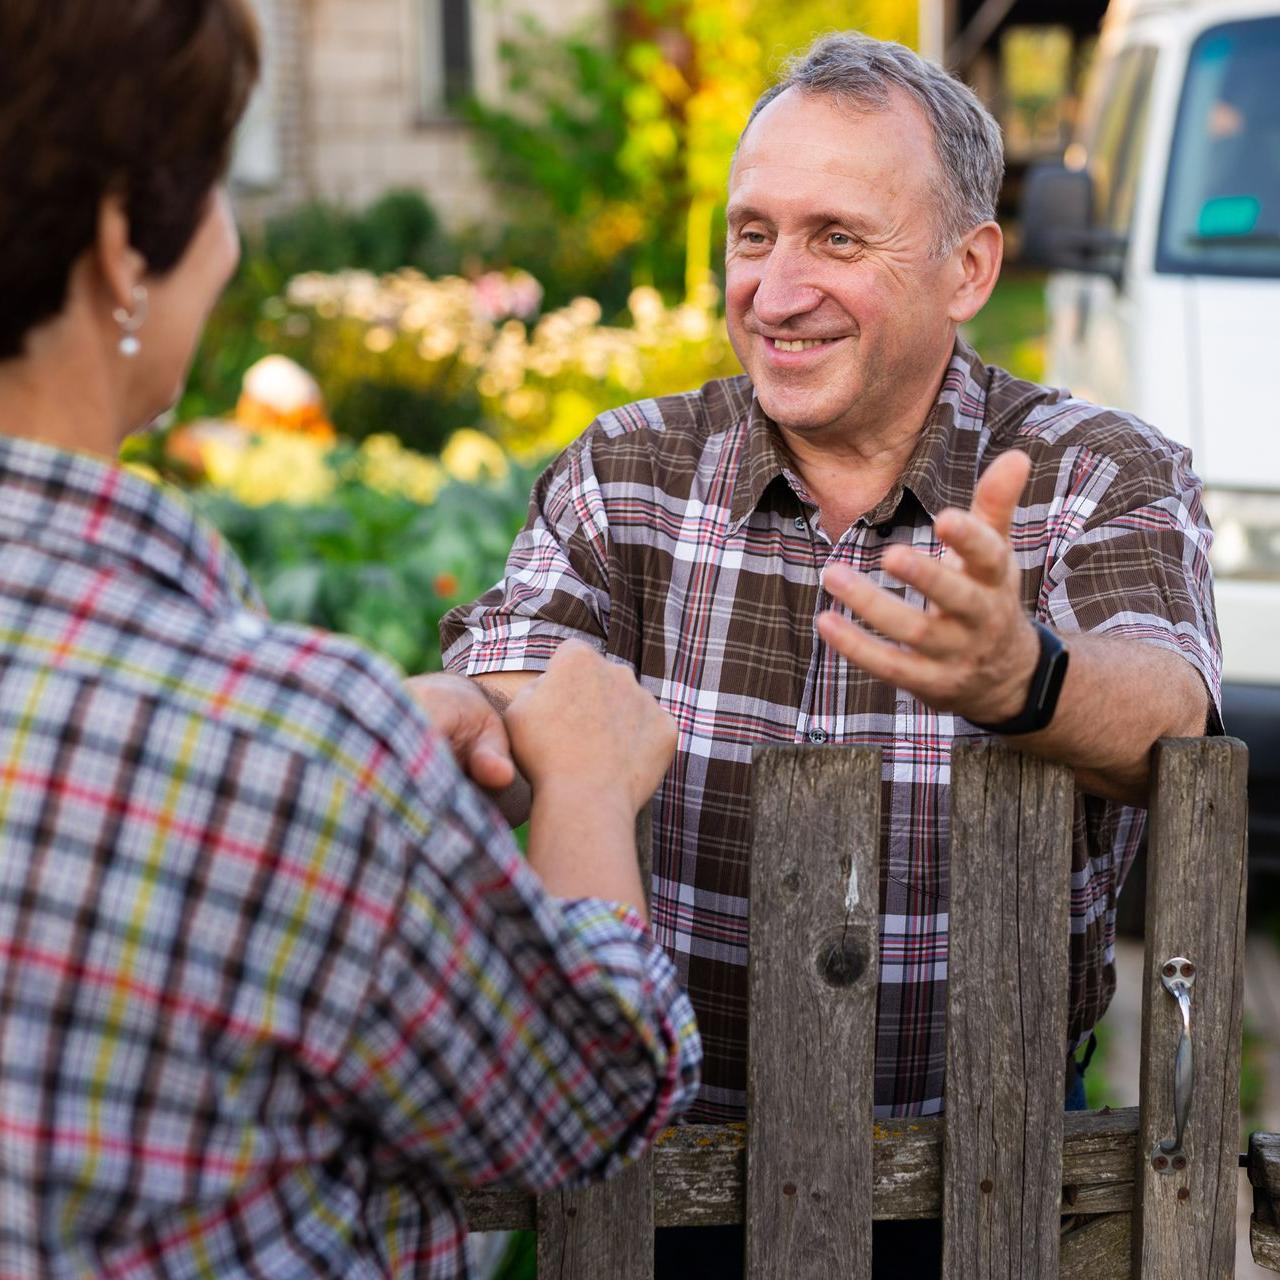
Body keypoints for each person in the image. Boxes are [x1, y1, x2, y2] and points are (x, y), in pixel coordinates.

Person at [439, 31, 1219, 1277]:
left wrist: (1024, 676)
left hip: (985, 1173)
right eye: (754, 235)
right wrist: (438, 702)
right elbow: (506, 677)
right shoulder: (626, 469)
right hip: (656, 1172)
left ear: (967, 269)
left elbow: (1170, 711)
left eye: (836, 239)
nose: (776, 287)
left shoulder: (1091, 474)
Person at [0, 4, 700, 1278]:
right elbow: (590, 1087)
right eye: (213, 181)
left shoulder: (283, 743)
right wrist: (589, 791)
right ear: (120, 245)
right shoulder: (287, 755)